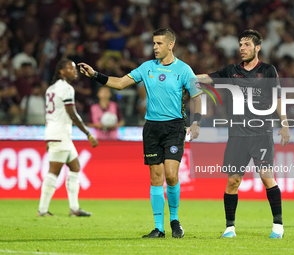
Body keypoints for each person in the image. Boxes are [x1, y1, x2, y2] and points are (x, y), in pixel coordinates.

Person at [79, 28, 202, 238]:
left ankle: (174, 220)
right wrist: (95, 75)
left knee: (171, 176)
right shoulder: (146, 68)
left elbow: (197, 96)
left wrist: (197, 121)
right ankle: (159, 228)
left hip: (174, 126)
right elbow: (119, 83)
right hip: (152, 128)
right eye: (154, 43)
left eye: (159, 43)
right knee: (156, 177)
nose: (154, 47)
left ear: (171, 45)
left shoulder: (184, 70)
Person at [197, 29, 290, 239]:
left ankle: (278, 226)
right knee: (233, 181)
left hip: (261, 134)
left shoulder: (267, 70)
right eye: (240, 45)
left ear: (257, 47)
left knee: (267, 178)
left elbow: (277, 98)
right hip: (237, 135)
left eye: (247, 45)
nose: (242, 48)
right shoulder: (231, 71)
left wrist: (284, 124)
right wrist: (187, 76)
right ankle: (230, 228)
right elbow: (208, 78)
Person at [38, 59, 98, 217]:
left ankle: (74, 209)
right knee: (53, 173)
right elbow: (72, 114)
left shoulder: (51, 88)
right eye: (70, 68)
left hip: (58, 135)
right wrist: (88, 134)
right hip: (60, 135)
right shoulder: (66, 88)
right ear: (61, 71)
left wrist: (47, 137)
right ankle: (42, 210)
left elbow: (49, 115)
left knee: (75, 167)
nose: (74, 71)